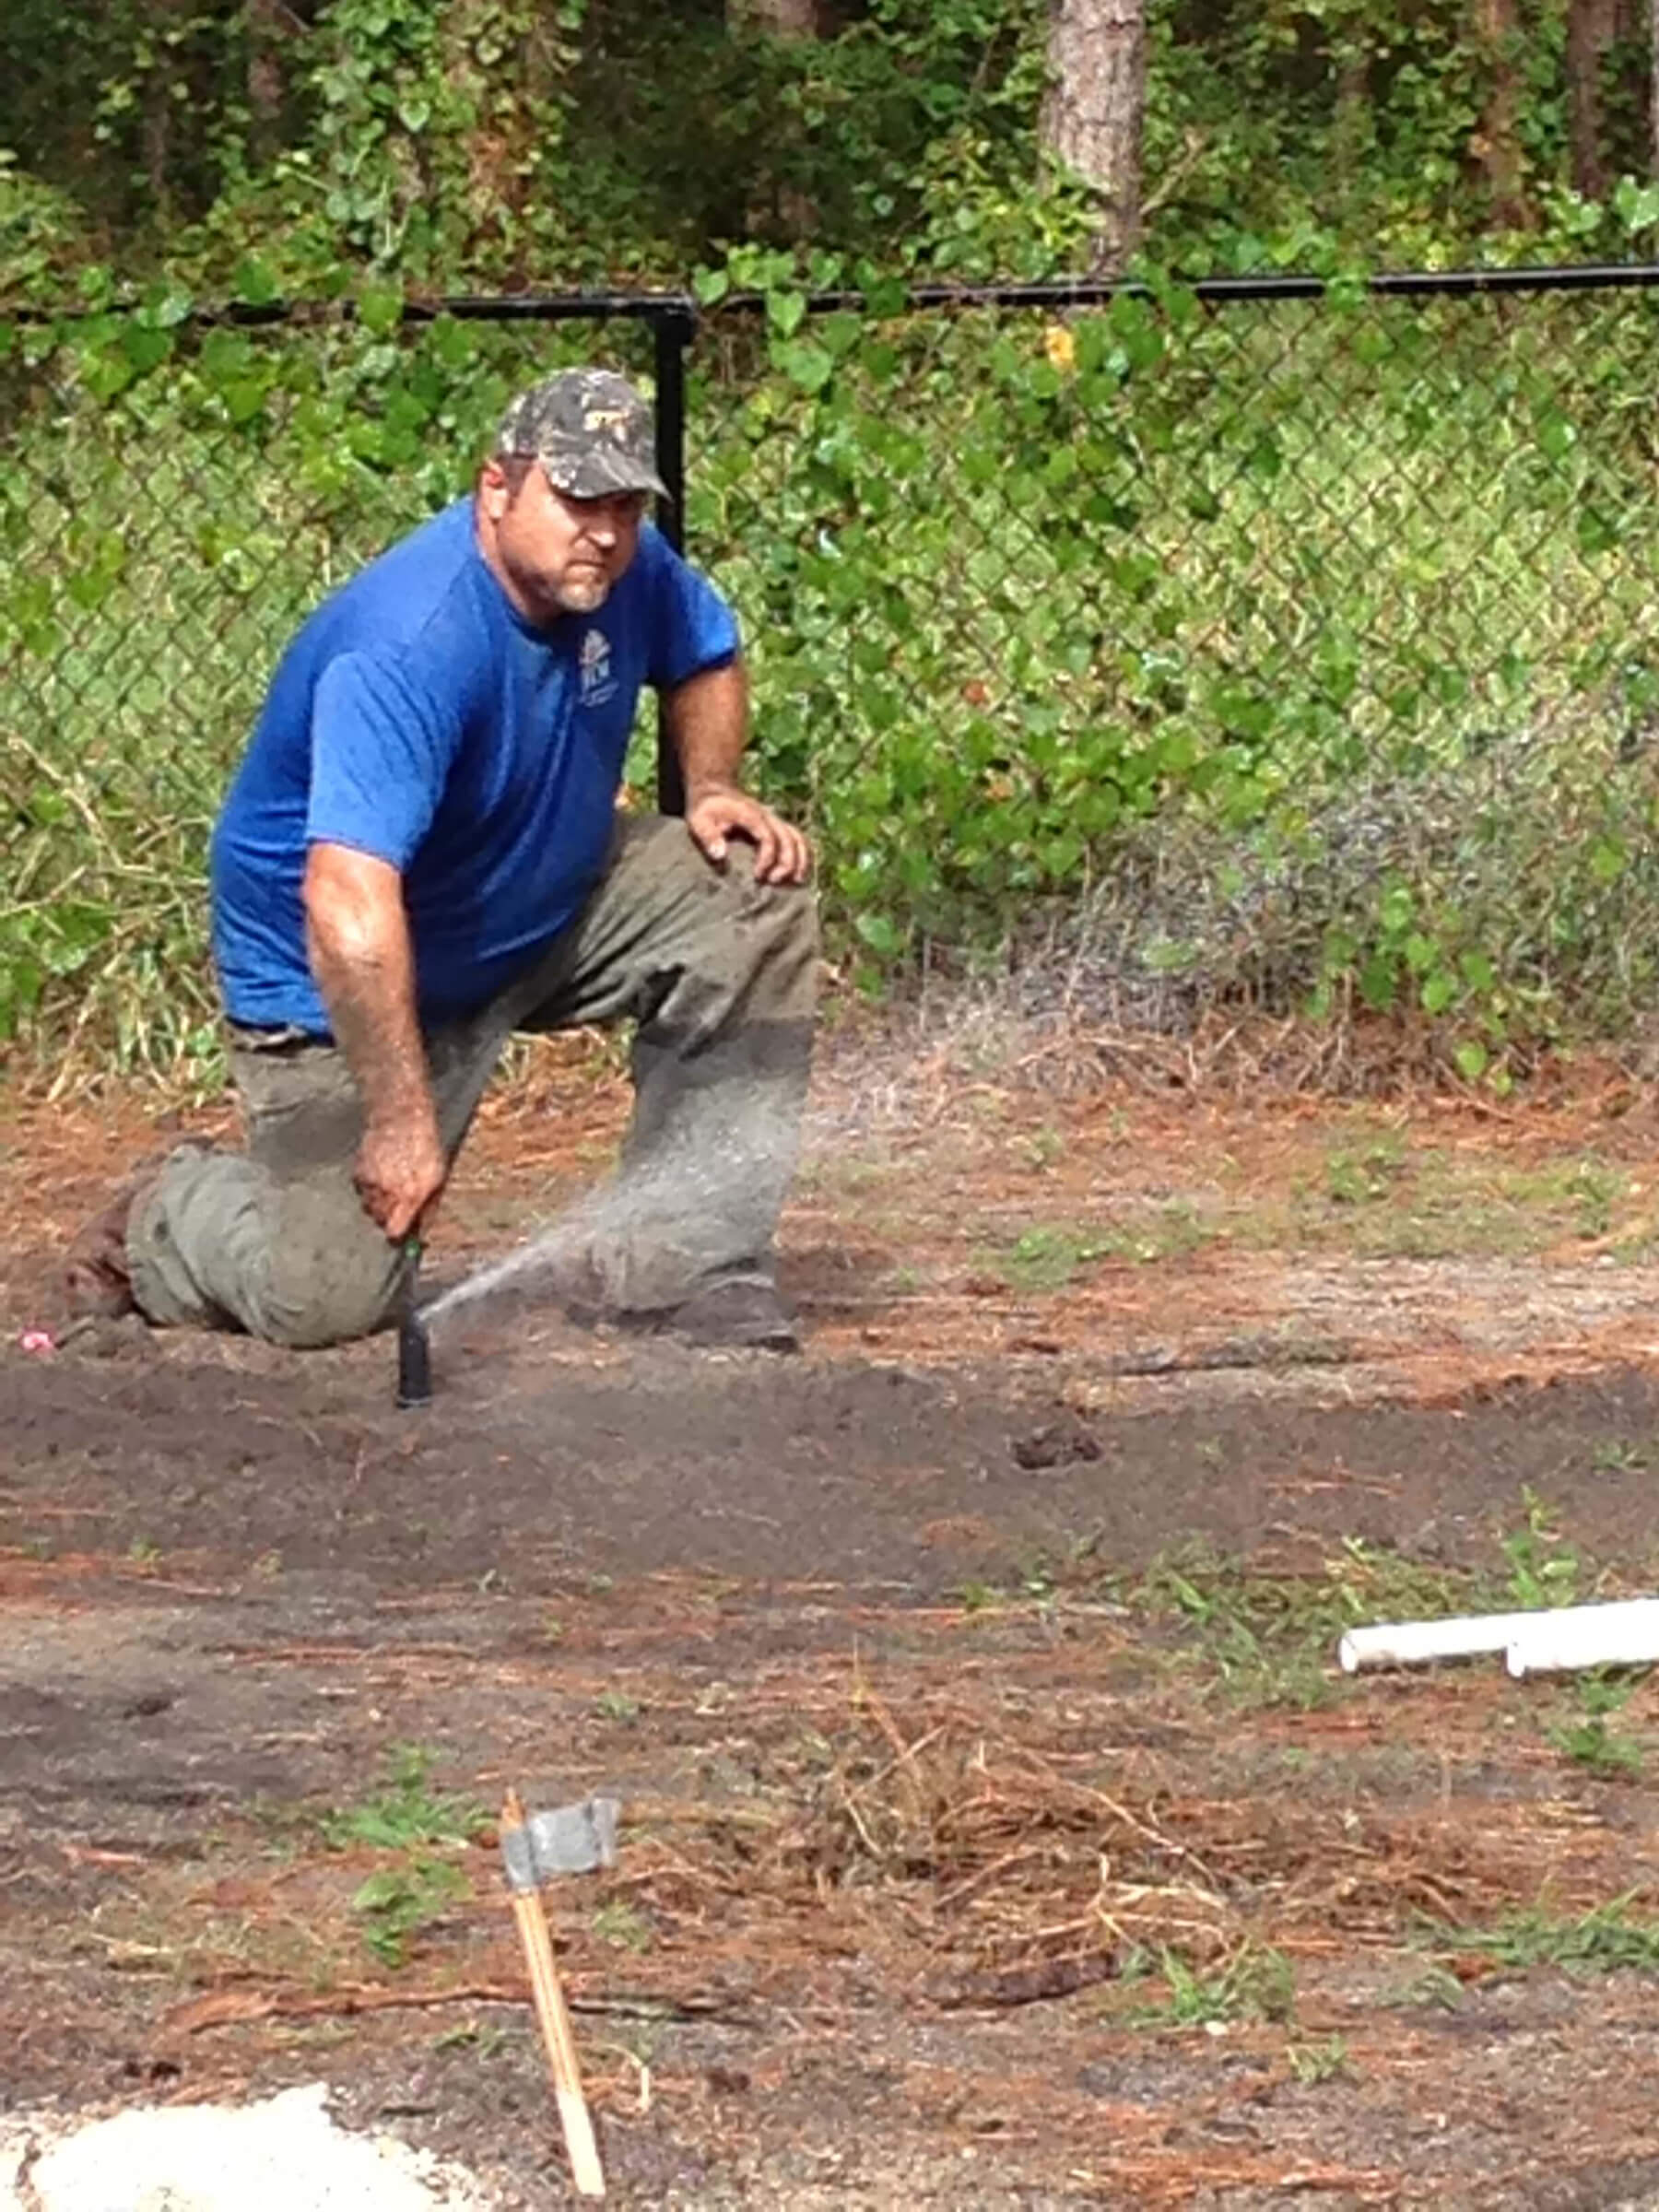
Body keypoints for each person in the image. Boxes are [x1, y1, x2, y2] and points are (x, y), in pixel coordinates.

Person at [64, 368, 818, 1352]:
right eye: (579, 498)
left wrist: (711, 784)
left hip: (539, 909)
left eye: (626, 506)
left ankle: (693, 1268)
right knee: (326, 1301)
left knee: (748, 894)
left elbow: (704, 649)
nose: (605, 529)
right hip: (342, 989)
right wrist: (401, 1124)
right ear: (495, 487)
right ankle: (165, 1213)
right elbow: (346, 902)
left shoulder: (625, 571)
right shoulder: (409, 646)